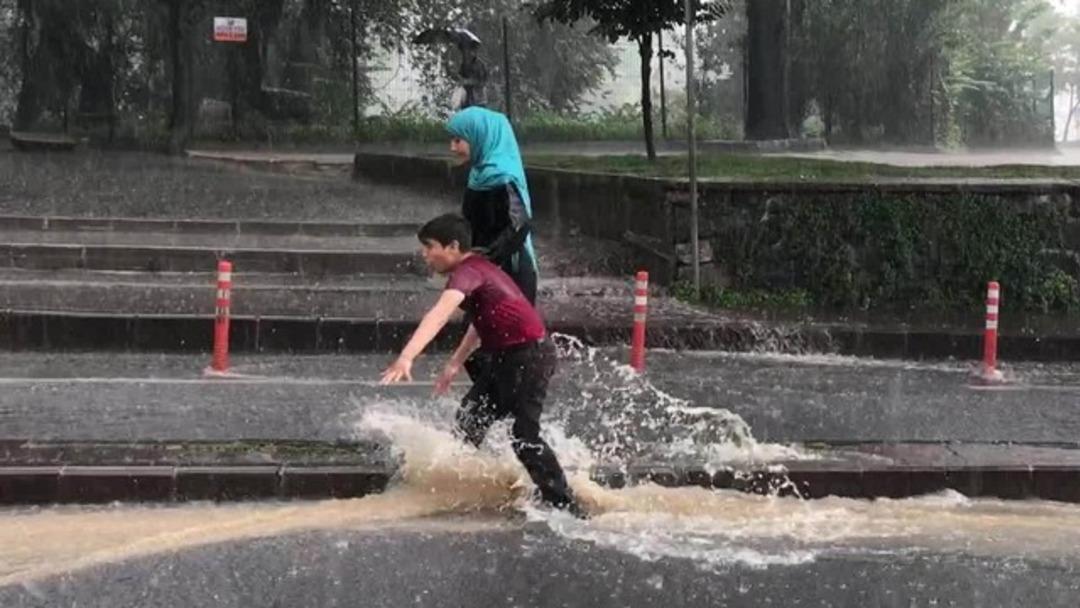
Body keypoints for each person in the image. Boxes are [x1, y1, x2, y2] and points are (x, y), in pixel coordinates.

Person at [380, 213, 584, 518]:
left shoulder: (468, 271)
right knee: (470, 419)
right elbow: (481, 320)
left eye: (429, 247)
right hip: (506, 357)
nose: (425, 254)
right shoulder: (477, 269)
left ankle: (566, 506)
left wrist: (407, 357)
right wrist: (455, 363)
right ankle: (464, 487)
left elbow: (439, 315)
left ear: (452, 246)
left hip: (528, 356)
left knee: (524, 436)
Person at [446, 106, 537, 304]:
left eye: (458, 140)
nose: (452, 148)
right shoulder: (478, 174)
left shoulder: (502, 177)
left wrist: (486, 256)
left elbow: (520, 225)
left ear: (479, 138)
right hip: (484, 271)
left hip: (509, 273)